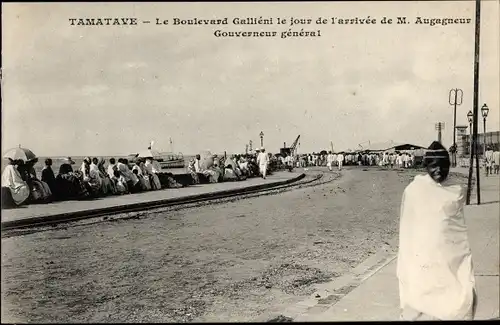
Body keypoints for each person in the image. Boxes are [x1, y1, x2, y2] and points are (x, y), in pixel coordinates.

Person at [397, 141, 476, 320]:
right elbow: (408, 227)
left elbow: (456, 228)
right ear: (426, 167)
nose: (438, 170)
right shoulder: (414, 191)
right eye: (433, 166)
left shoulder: (456, 191)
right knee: (424, 299)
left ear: (448, 166)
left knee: (460, 293)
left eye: (442, 166)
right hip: (424, 254)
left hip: (451, 254)